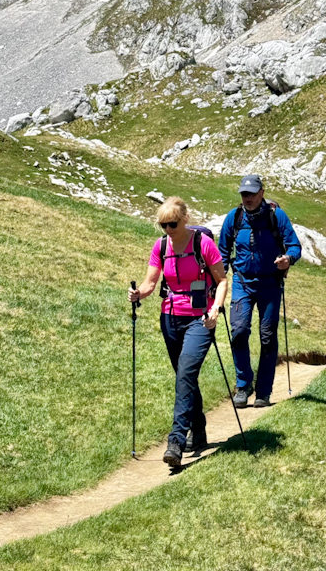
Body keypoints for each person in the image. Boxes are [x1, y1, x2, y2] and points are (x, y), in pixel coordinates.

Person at [129, 197, 228, 468]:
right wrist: (139, 294)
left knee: (185, 373)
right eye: (163, 225)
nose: (168, 230)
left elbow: (221, 280)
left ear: (185, 219)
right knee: (184, 376)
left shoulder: (203, 244)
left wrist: (216, 308)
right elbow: (151, 282)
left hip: (200, 318)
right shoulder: (161, 246)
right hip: (170, 318)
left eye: (172, 224)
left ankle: (176, 440)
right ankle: (199, 427)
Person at [218, 175, 302, 408]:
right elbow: (222, 251)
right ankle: (243, 385)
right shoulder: (233, 218)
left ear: (262, 193)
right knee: (239, 330)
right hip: (242, 283)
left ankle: (263, 392)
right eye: (245, 194)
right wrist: (218, 279)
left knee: (267, 336)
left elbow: (295, 245)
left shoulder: (277, 216)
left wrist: (288, 258)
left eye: (253, 193)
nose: (248, 198)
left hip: (270, 284)